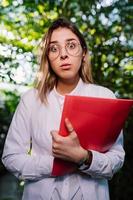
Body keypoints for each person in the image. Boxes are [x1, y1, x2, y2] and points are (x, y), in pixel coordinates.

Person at [2, 17, 125, 200]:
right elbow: (11, 157)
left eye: (71, 45)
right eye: (54, 48)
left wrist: (84, 157)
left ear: (83, 52)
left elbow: (117, 158)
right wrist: (55, 164)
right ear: (48, 58)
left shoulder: (104, 96)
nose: (63, 55)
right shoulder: (30, 100)